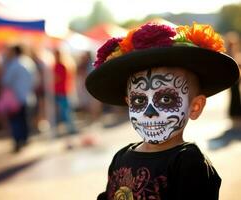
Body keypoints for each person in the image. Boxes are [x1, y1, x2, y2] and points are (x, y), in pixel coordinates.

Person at [85, 22, 240, 200]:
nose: (149, 111)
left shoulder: (188, 163)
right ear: (129, 104)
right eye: (139, 100)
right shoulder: (121, 157)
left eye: (166, 99)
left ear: (195, 107)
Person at [2, 45, 37, 152]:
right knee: (24, 120)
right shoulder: (29, 62)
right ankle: (24, 139)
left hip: (16, 98)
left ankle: (18, 141)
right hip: (29, 96)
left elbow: (6, 81)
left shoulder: (14, 64)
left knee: (16, 121)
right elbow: (36, 80)